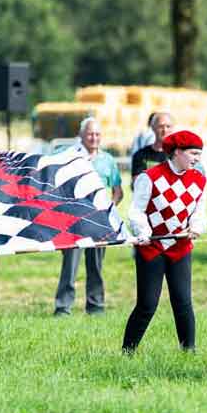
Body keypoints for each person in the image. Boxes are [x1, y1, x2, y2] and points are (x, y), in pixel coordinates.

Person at [122, 130, 207, 353]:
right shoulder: (149, 177)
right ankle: (127, 351)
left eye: (199, 154)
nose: (197, 158)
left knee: (183, 302)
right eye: (193, 153)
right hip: (152, 248)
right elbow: (136, 211)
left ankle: (188, 351)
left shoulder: (199, 180)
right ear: (177, 152)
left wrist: (196, 228)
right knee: (147, 304)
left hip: (180, 248)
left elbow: (199, 212)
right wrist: (143, 230)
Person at [54, 118, 123, 316]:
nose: (94, 138)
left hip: (98, 222)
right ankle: (63, 306)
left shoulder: (108, 160)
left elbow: (118, 191)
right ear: (81, 135)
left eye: (97, 134)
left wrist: (108, 209)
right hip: (74, 221)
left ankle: (96, 305)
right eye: (90, 134)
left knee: (96, 265)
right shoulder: (70, 157)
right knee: (70, 266)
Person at [131, 111, 174, 178]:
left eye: (168, 126)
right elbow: (137, 183)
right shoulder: (140, 155)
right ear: (153, 128)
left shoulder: (179, 155)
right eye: (161, 126)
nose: (165, 130)